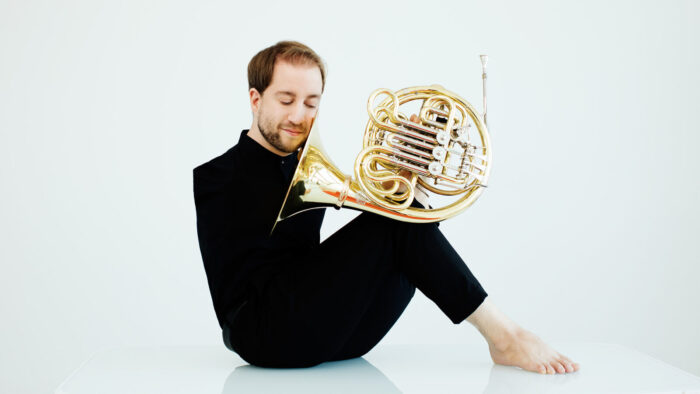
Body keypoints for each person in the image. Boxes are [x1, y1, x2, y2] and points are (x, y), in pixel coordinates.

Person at [193, 40, 580, 374]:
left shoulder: (301, 165)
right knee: (392, 223)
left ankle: (502, 333)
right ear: (255, 99)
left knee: (406, 212)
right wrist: (387, 212)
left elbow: (376, 247)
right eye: (286, 99)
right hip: (262, 334)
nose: (299, 115)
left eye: (312, 102)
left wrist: (412, 174)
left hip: (339, 337)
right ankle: (505, 336)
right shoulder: (216, 176)